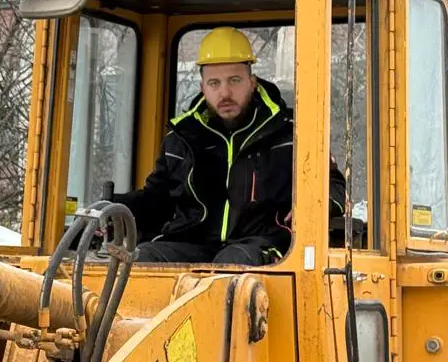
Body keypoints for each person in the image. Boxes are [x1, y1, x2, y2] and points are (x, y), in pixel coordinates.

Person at [113, 26, 351, 265]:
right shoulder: (181, 140)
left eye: (234, 81)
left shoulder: (290, 135)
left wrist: (316, 205)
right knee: (142, 258)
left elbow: (334, 186)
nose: (225, 92)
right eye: (214, 83)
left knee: (231, 262)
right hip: (194, 244)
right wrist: (112, 209)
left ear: (252, 82)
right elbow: (157, 199)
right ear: (203, 88)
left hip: (263, 245)